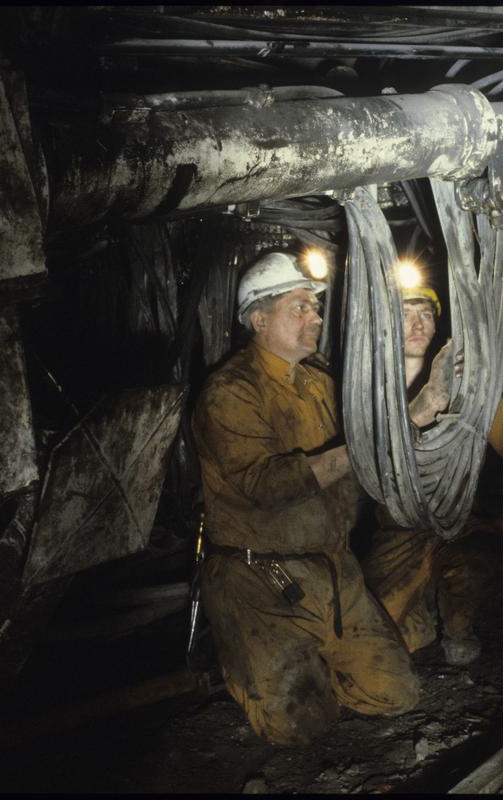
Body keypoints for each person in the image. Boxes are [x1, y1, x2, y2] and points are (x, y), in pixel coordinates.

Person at [192, 251, 434, 746]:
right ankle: (247, 652)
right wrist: (374, 441)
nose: (317, 317)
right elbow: (266, 486)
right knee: (300, 727)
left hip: (333, 571)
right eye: (299, 307)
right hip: (261, 576)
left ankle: (310, 667)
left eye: (316, 307)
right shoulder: (229, 392)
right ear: (259, 319)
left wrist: (408, 416)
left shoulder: (319, 382)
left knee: (398, 695)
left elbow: (364, 443)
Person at [361, 283, 503, 666]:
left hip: (459, 528)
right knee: (377, 639)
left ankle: (462, 619)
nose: (417, 324)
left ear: (437, 325)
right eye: (404, 314)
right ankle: (424, 607)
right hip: (397, 536)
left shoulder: (470, 394)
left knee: (471, 568)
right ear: (385, 325)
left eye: (426, 314)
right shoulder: (369, 396)